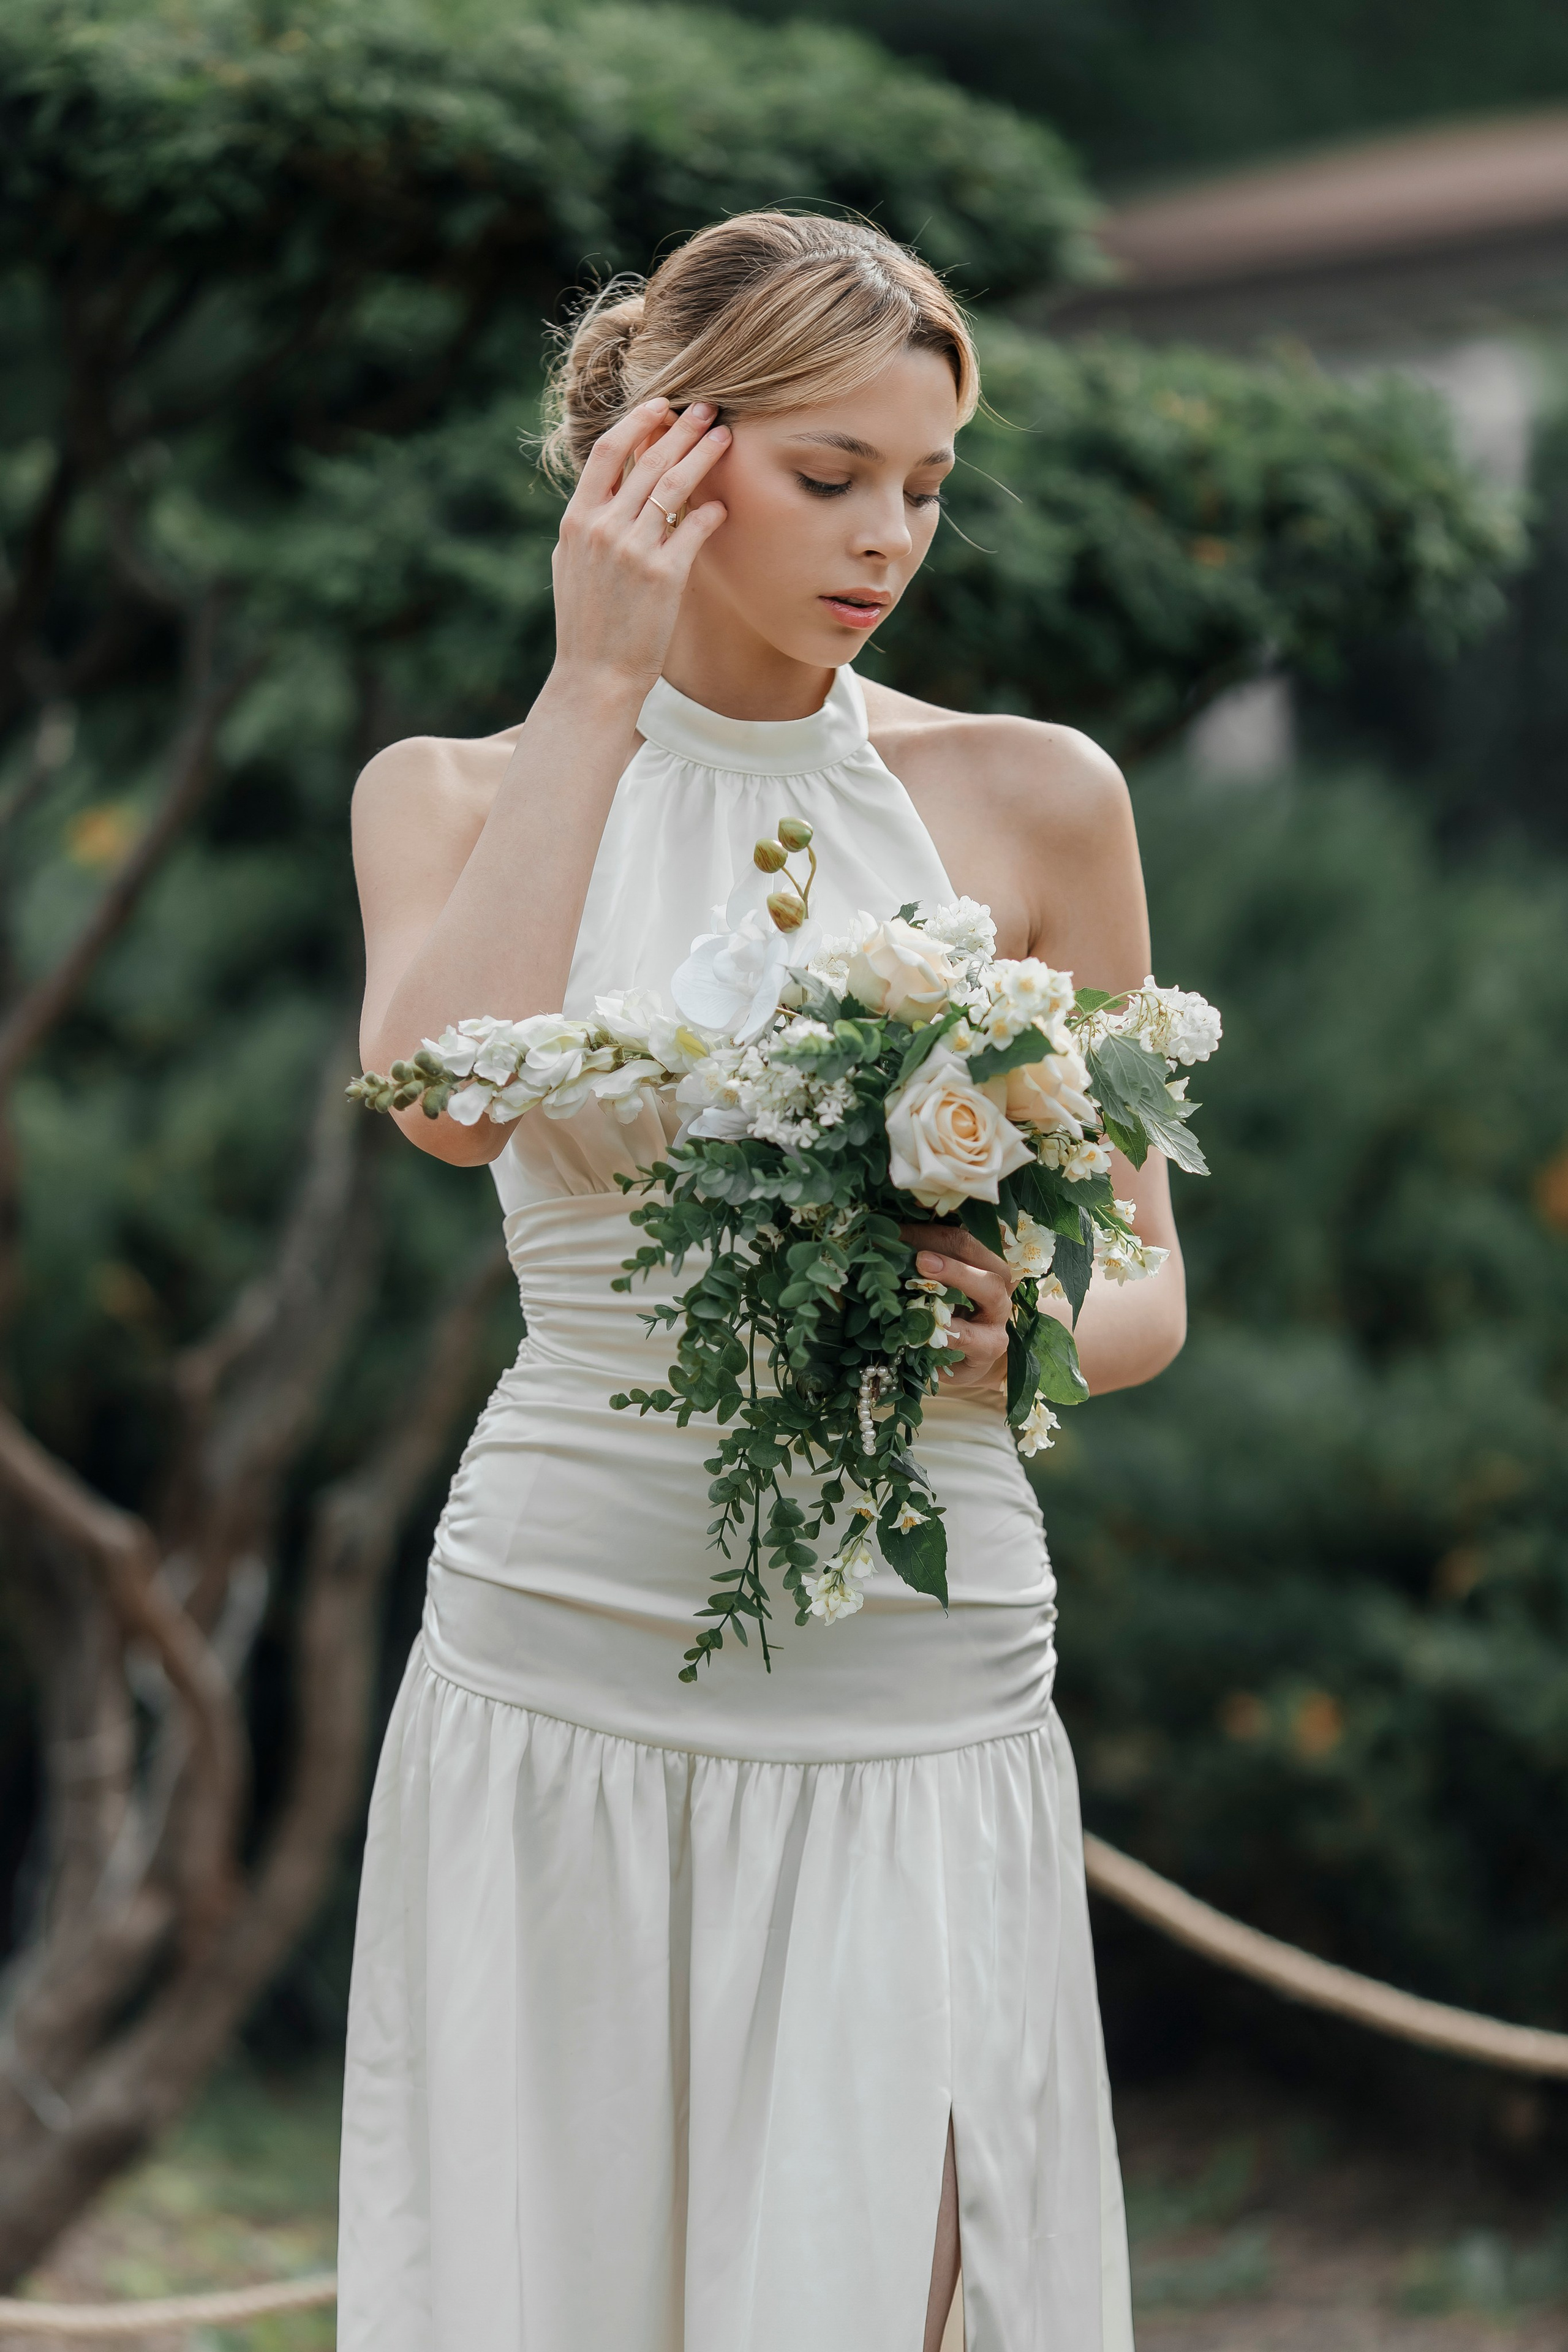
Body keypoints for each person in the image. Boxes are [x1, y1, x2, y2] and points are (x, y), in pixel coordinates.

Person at [339, 210, 1185, 2352]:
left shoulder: (1031, 797)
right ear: (661, 454)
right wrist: (596, 684)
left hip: (920, 1653)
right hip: (566, 1642)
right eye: (833, 478)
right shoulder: (445, 797)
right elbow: (447, 1098)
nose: (890, 538)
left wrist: (1033, 1331)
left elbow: (1151, 1276)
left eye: (926, 484)